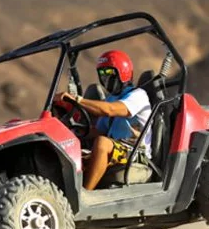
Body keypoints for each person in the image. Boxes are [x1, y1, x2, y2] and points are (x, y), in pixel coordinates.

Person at [54, 50, 152, 190]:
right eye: (102, 75)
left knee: (102, 144)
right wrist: (71, 130)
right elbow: (99, 131)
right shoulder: (111, 99)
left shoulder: (138, 95)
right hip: (117, 149)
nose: (105, 80)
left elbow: (109, 110)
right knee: (71, 150)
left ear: (122, 73)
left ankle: (85, 195)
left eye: (109, 74)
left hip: (136, 153)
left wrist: (77, 99)